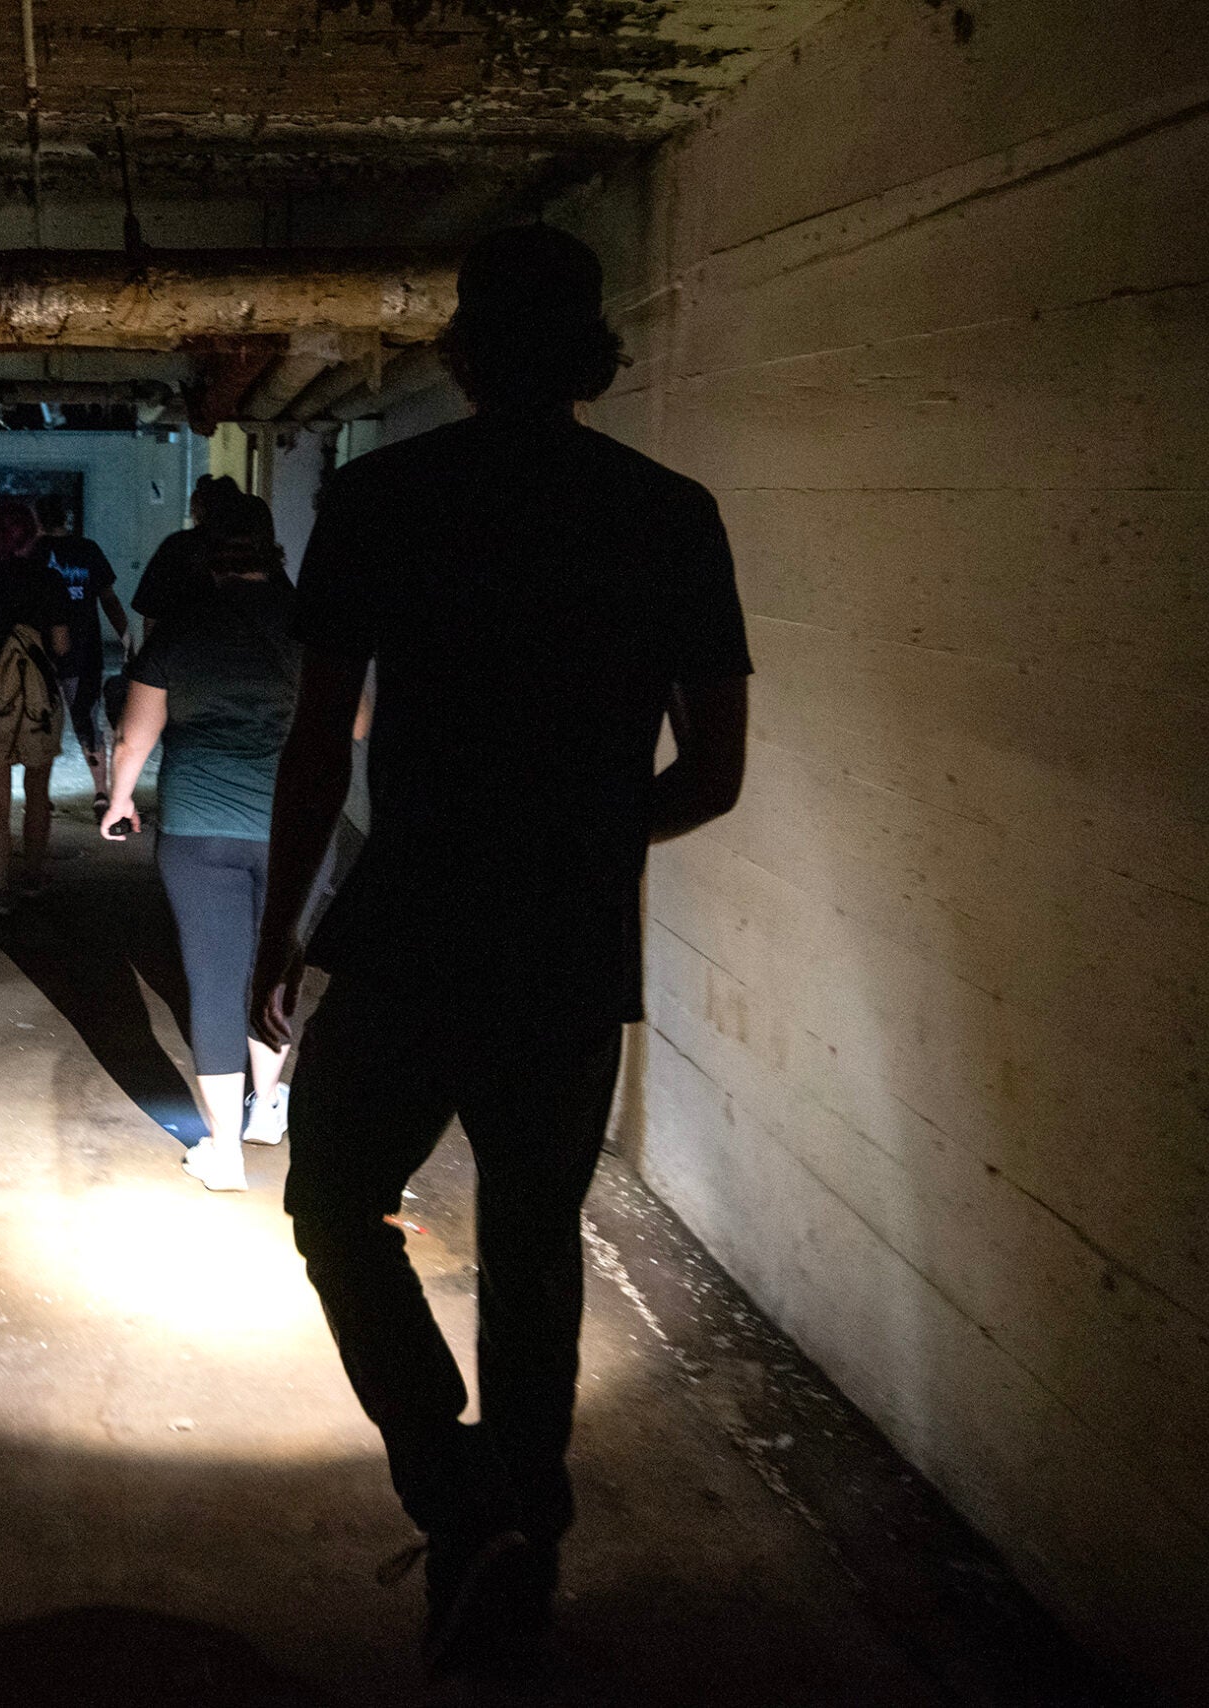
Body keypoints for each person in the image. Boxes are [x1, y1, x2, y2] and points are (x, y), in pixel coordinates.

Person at [249, 224, 753, 1681]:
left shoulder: (389, 498)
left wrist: (282, 926)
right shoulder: (673, 514)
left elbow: (313, 742)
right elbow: (711, 776)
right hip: (565, 953)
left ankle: (456, 1492)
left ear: (464, 350)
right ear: (593, 349)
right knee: (535, 1254)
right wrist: (587, 842)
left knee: (337, 1205)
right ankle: (520, 1541)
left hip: (409, 931)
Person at [98, 489, 302, 1193]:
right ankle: (267, 1107)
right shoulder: (308, 623)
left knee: (215, 980)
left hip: (198, 826)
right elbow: (357, 724)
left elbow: (135, 736)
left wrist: (121, 799)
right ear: (274, 549)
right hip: (293, 828)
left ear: (207, 550)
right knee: (276, 965)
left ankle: (224, 1152)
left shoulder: (182, 629)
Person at [0, 496, 74, 914]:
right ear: (33, 536)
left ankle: (1, 890)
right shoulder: (50, 581)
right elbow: (60, 645)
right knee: (37, 795)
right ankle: (34, 878)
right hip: (39, 700)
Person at [34, 492, 130, 814]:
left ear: (39, 520)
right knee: (87, 721)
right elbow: (109, 599)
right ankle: (101, 792)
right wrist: (127, 637)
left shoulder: (35, 553)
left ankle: (39, 797)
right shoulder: (88, 550)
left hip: (43, 653)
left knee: (41, 721)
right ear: (67, 518)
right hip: (86, 650)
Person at [128, 472, 240, 649]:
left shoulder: (177, 546)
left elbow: (150, 612)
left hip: (179, 653)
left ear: (198, 509)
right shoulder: (245, 549)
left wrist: (148, 660)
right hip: (233, 652)